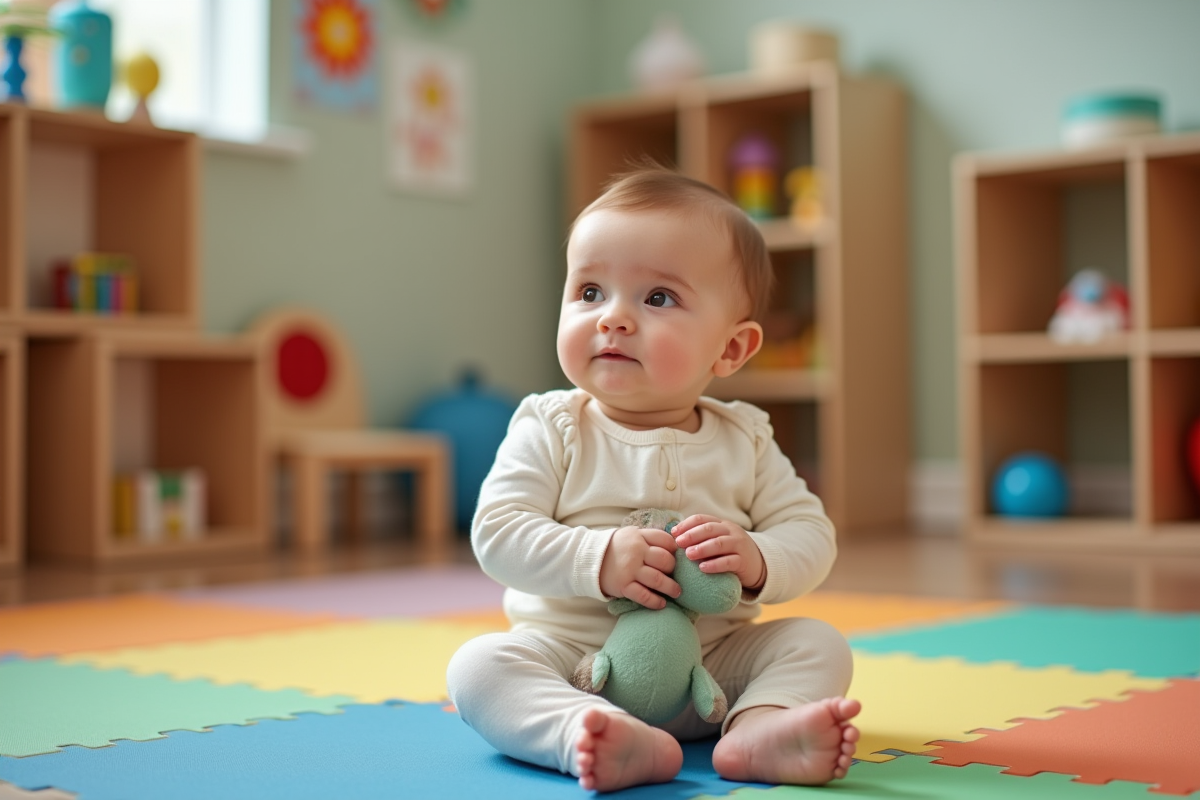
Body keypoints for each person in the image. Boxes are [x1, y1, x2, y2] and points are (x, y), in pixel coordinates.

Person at [447, 167, 859, 793]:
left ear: (730, 350)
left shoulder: (744, 438)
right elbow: (498, 533)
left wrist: (757, 559)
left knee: (819, 643)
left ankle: (758, 729)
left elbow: (810, 531)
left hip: (713, 674)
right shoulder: (552, 425)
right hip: (575, 663)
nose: (612, 318)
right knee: (478, 667)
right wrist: (597, 556)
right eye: (589, 292)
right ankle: (587, 732)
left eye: (657, 298)